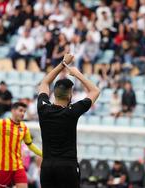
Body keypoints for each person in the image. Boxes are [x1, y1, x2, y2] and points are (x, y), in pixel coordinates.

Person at [37, 53, 100, 188]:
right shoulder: (72, 111)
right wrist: (77, 73)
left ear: (54, 93)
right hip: (67, 166)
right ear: (70, 95)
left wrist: (62, 64)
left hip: (47, 166)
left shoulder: (43, 109)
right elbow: (95, 91)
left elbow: (44, 82)